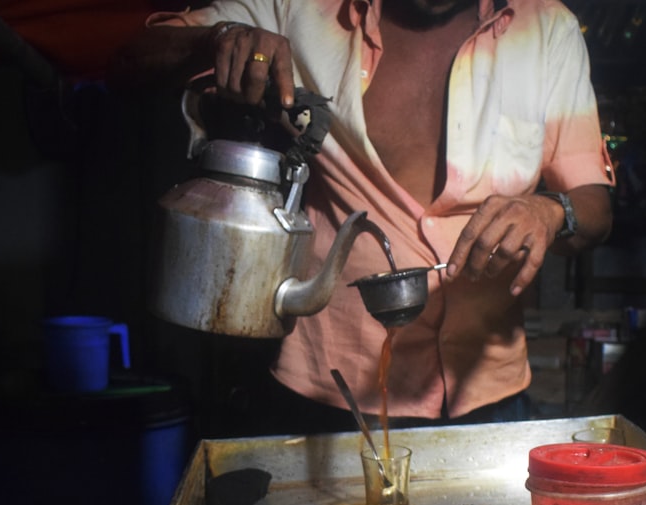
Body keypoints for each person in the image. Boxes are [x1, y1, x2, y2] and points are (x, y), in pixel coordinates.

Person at [109, 0, 614, 433]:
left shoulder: (548, 30)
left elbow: (594, 211)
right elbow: (130, 56)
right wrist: (217, 41)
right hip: (325, 396)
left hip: (487, 396)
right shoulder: (299, 9)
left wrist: (551, 210)